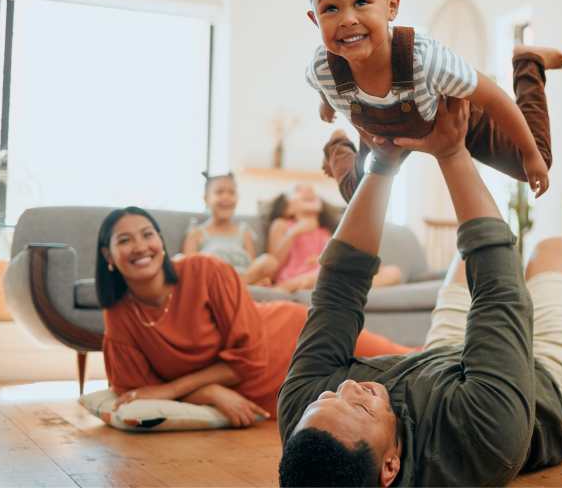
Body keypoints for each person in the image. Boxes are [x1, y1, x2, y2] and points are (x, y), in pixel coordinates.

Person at [276, 97, 562, 486]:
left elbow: (339, 288)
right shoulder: (483, 437)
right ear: (390, 466)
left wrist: (382, 164)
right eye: (361, 408)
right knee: (554, 250)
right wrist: (451, 151)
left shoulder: (306, 423)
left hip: (440, 363)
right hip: (546, 390)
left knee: (463, 260)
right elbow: (500, 290)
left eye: (328, 397)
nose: (345, 387)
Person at [96, 206, 415, 428]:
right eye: (125, 240)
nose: (140, 246)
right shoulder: (120, 313)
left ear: (161, 243)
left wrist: (175, 390)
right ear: (108, 256)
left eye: (147, 234)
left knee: (404, 363)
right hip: (266, 392)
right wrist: (210, 392)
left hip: (289, 336)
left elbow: (248, 357)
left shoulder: (204, 270)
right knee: (378, 393)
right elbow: (137, 389)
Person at [304, 0, 560, 203]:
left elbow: (494, 98)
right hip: (385, 134)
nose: (347, 19)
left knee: (534, 161)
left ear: (391, 7)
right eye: (330, 8)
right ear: (315, 19)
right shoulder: (323, 68)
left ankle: (528, 62)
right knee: (356, 196)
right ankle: (337, 145)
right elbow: (321, 85)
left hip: (454, 116)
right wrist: (328, 104)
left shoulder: (425, 59)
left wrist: (531, 155)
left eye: (361, 2)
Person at [260, 183, 401, 292]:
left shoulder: (325, 232)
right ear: (287, 208)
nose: (309, 190)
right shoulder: (282, 225)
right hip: (297, 277)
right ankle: (288, 287)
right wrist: (295, 231)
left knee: (393, 272)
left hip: (327, 274)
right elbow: (274, 264)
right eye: (298, 190)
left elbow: (337, 259)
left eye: (312, 191)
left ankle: (344, 287)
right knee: (323, 274)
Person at [181, 172, 260, 277]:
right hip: (213, 278)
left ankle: (237, 283)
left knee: (268, 261)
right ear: (206, 198)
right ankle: (233, 284)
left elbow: (253, 266)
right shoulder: (196, 233)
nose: (226, 197)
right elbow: (189, 270)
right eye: (219, 192)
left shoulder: (244, 232)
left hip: (243, 277)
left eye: (232, 192)